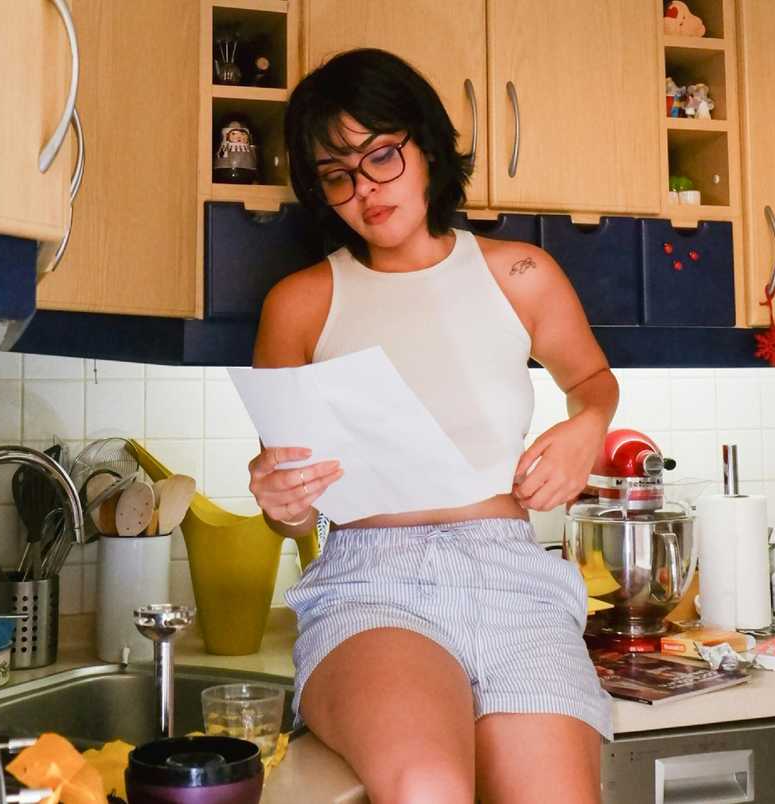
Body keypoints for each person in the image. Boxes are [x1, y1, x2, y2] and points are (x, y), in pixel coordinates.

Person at [248, 49, 618, 803]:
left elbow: (592, 383)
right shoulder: (300, 303)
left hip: (515, 577)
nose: (365, 190)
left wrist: (591, 426)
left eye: (381, 155)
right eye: (337, 174)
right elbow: (290, 508)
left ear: (425, 145)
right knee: (426, 787)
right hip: (371, 584)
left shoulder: (521, 275)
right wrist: (279, 504)